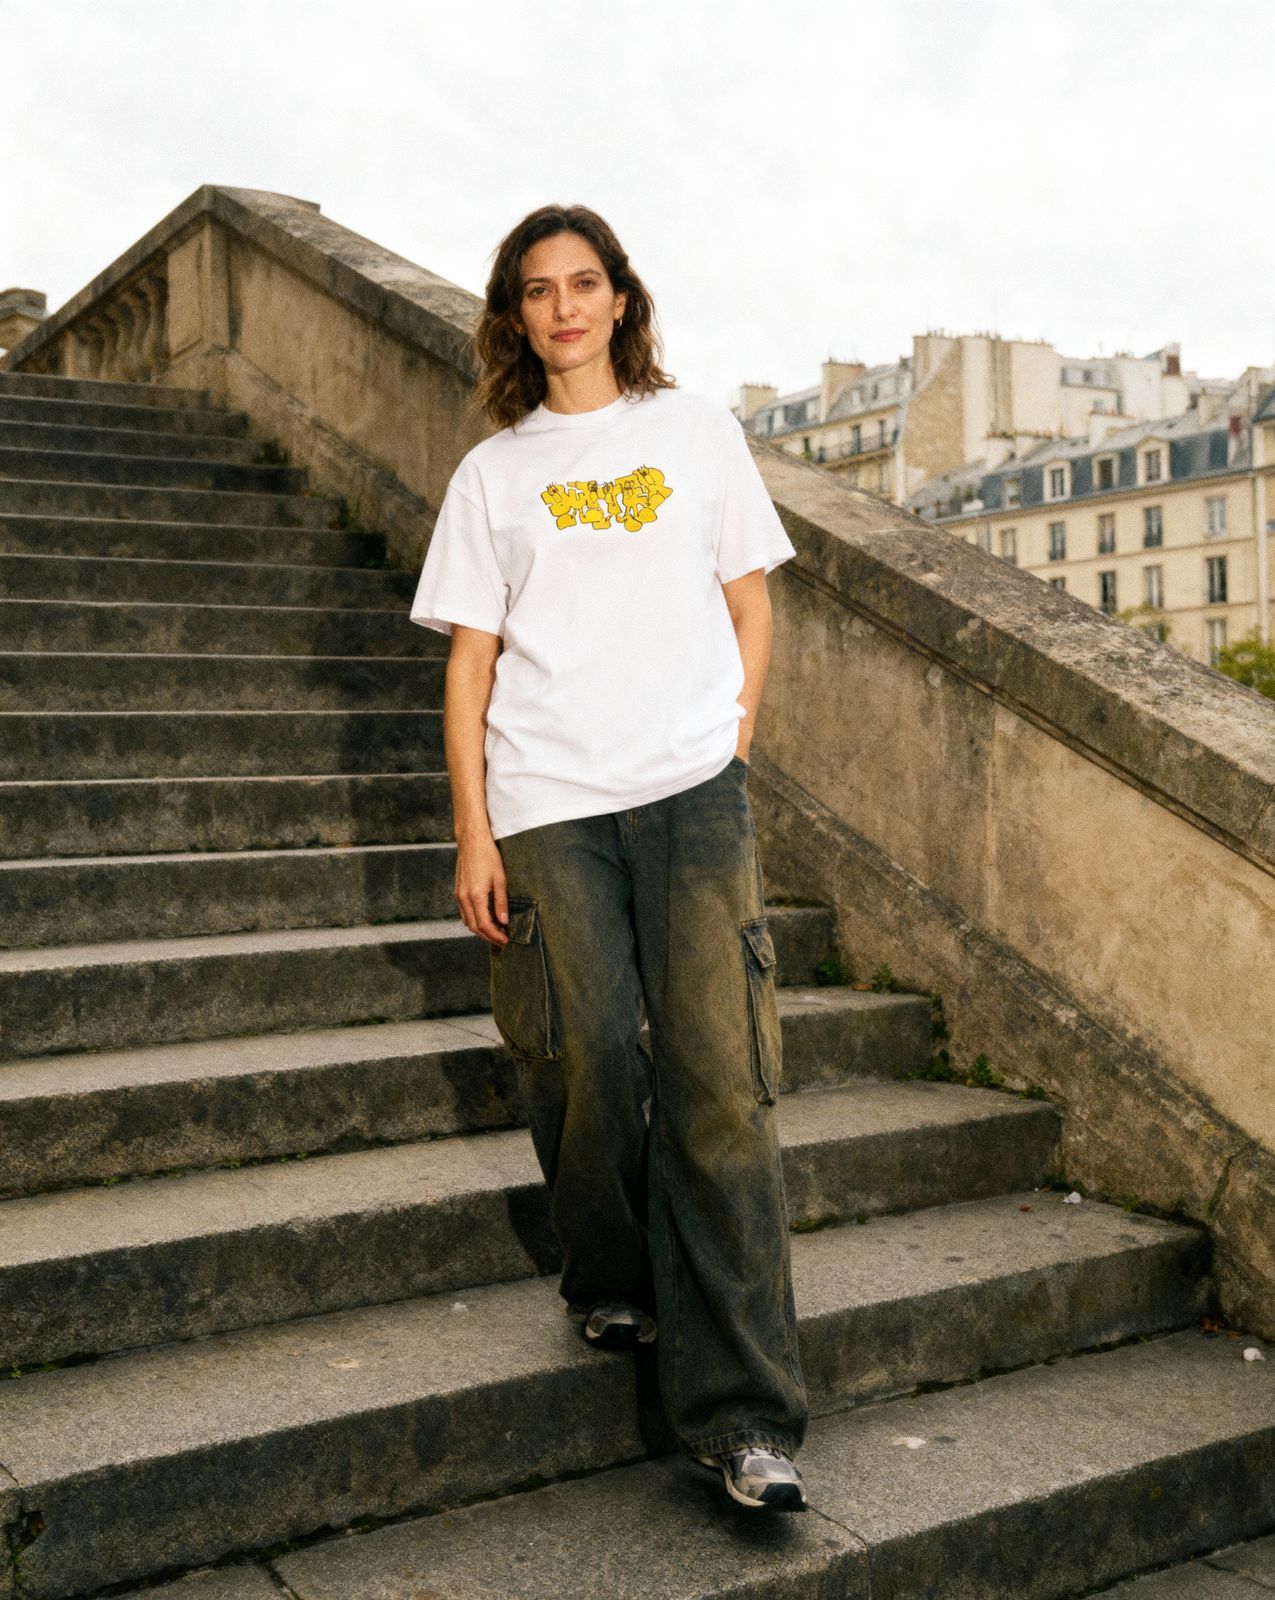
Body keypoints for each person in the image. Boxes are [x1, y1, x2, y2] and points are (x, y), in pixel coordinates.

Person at [408, 203, 809, 1513]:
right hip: (548, 799)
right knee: (589, 1054)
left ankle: (745, 1419)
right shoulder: (494, 475)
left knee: (719, 1086)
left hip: (691, 791)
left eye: (585, 283)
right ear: (516, 316)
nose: (565, 307)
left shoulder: (694, 433)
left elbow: (751, 602)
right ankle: (610, 1269)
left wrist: (731, 734)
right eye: (540, 290)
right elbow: (470, 662)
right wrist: (473, 828)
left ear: (621, 300)